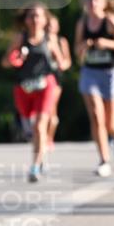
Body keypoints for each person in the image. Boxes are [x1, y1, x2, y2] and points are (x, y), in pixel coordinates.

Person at [2, 4, 71, 181]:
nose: (34, 20)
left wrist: (60, 64)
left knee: (40, 125)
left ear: (45, 20)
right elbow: (6, 62)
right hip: (23, 87)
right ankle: (41, 154)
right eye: (31, 16)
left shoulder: (50, 40)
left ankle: (34, 167)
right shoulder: (20, 38)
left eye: (38, 16)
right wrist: (16, 60)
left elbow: (61, 62)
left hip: (46, 85)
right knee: (30, 127)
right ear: (25, 20)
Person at [74, 0, 114, 176]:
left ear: (104, 3)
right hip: (90, 72)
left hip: (111, 73)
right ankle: (104, 160)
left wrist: (106, 43)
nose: (92, 3)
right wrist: (84, 46)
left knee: (110, 122)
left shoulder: (110, 22)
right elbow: (77, 50)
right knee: (96, 117)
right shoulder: (82, 23)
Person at [45, 15, 71, 149]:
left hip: (56, 77)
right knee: (45, 108)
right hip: (43, 76)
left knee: (51, 107)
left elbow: (68, 61)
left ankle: (49, 137)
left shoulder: (62, 41)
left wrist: (61, 64)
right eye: (48, 24)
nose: (50, 27)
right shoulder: (42, 40)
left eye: (53, 25)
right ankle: (42, 136)